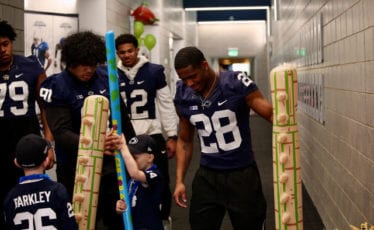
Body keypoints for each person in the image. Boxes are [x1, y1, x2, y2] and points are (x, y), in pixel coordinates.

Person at [39, 31, 136, 230]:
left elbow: (122, 118)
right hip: (77, 166)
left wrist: (133, 151)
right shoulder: (57, 85)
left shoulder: (107, 76)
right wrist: (98, 145)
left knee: (118, 217)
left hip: (112, 162)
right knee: (81, 222)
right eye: (83, 65)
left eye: (93, 64)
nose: (89, 69)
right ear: (70, 62)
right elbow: (61, 132)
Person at [172, 47, 273, 229]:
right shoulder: (182, 94)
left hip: (242, 174)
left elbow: (271, 115)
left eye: (192, 76)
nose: (189, 83)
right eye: (183, 79)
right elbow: (185, 141)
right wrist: (179, 180)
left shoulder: (235, 83)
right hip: (207, 175)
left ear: (204, 65)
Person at [115, 33, 178, 226]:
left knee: (160, 179)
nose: (126, 55)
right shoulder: (111, 73)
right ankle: (130, 218)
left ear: (137, 50)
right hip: (126, 137)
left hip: (151, 134)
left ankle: (163, 218)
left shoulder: (154, 71)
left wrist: (172, 134)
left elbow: (165, 103)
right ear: (117, 53)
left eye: (130, 51)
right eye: (122, 52)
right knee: (125, 179)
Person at [0, 20, 54, 229]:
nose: (2, 50)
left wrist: (49, 143)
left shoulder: (32, 66)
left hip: (27, 139)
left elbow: (45, 106)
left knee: (32, 196)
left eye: (5, 44)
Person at [3, 134, 77, 229]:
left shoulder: (11, 197)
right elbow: (70, 226)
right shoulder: (58, 191)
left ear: (16, 163)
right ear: (46, 161)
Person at [116, 134, 165, 230]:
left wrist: (123, 148)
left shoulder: (155, 175)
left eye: (134, 157)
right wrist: (121, 206)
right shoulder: (132, 181)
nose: (130, 160)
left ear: (150, 158)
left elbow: (134, 173)